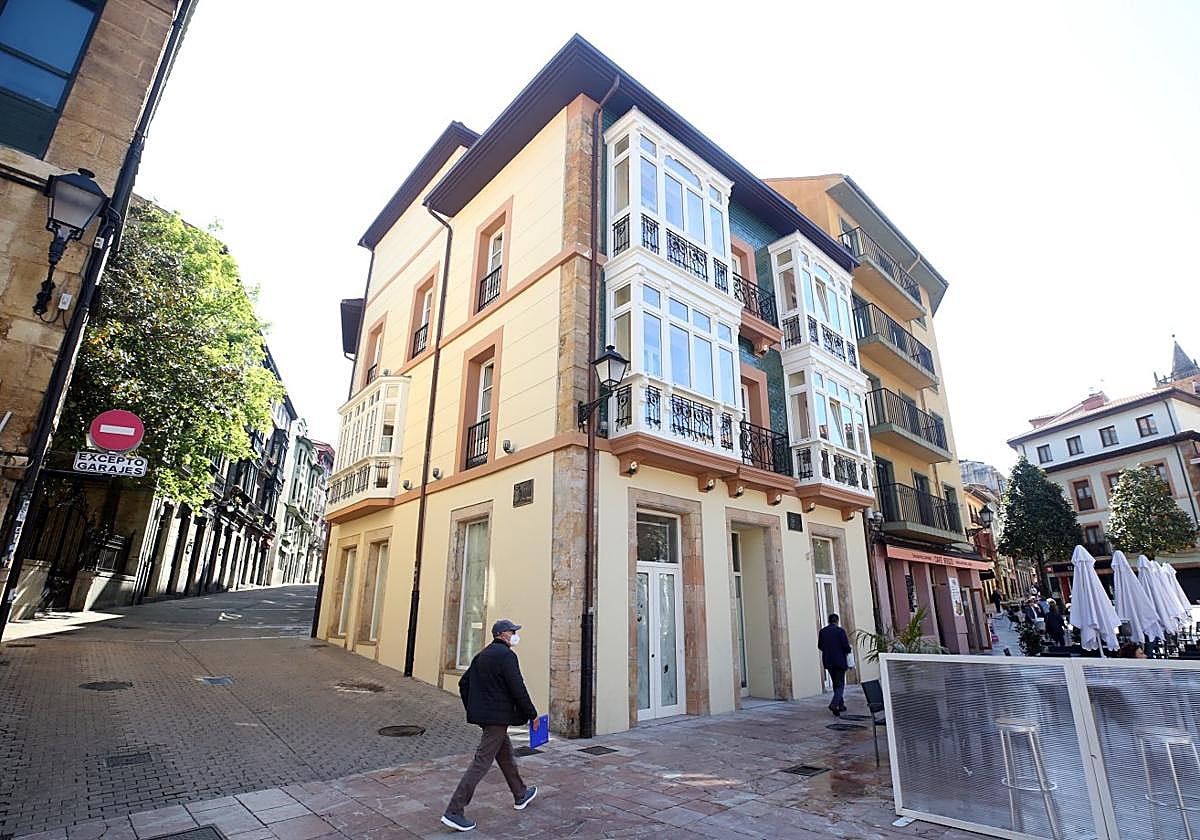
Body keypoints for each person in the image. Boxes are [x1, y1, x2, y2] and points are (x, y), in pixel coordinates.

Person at [442, 619, 539, 833]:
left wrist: (475, 709)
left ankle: (520, 793)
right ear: (503, 634)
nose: (515, 635)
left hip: (488, 718)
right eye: (513, 631)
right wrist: (532, 714)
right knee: (482, 762)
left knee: (505, 754)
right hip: (497, 719)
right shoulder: (507, 656)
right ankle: (454, 811)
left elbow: (463, 684)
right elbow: (517, 687)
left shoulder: (481, 655)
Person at [817, 613, 852, 717]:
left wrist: (828, 651)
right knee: (840, 684)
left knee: (835, 683)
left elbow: (820, 646)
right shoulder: (840, 631)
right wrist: (848, 650)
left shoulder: (823, 631)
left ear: (829, 621)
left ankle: (841, 705)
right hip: (839, 661)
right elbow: (846, 646)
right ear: (837, 621)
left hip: (828, 661)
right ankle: (834, 703)